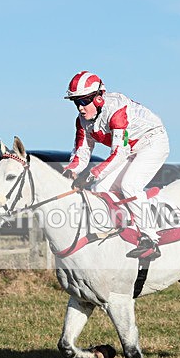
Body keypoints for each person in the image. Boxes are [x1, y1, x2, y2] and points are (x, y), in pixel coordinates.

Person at [62, 71, 170, 260]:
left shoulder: (116, 112)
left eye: (83, 101)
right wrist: (70, 171)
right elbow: (81, 153)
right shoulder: (82, 122)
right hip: (131, 148)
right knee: (99, 188)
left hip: (153, 142)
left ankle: (151, 238)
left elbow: (118, 153)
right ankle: (123, 230)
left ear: (98, 99)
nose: (80, 108)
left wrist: (90, 174)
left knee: (130, 185)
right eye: (76, 102)